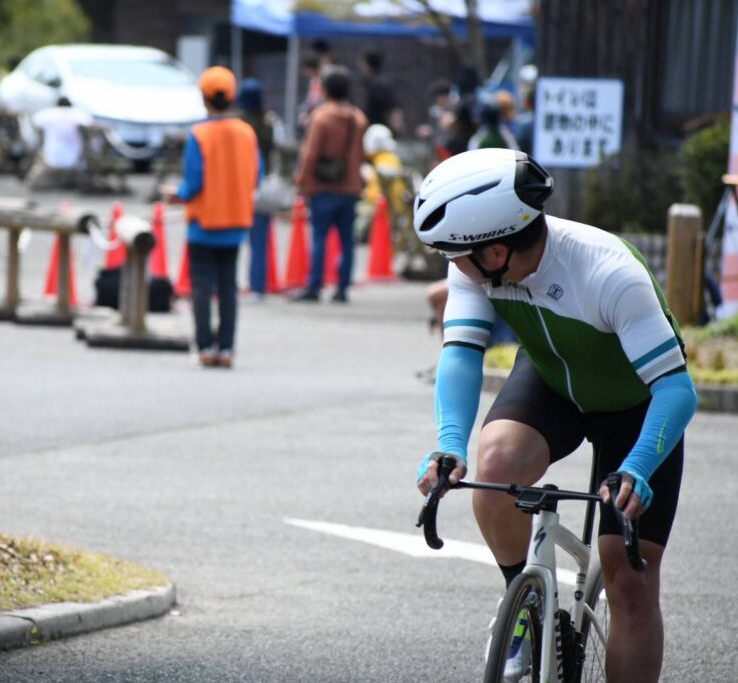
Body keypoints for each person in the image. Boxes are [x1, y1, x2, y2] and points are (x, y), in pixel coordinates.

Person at [414, 148, 698, 683]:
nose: (450, 265)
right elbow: (461, 354)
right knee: (495, 465)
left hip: (637, 406)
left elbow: (677, 391)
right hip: (551, 382)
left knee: (630, 583)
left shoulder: (609, 273)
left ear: (496, 251)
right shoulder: (477, 267)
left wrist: (638, 465)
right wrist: (450, 444)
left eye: (454, 253)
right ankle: (521, 609)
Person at [162, 67, 261, 369]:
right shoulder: (246, 133)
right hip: (236, 220)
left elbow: (193, 183)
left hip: (203, 223)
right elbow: (257, 175)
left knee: (202, 286)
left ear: (204, 97)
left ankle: (205, 346)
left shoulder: (199, 134)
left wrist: (175, 194)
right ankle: (227, 348)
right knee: (229, 286)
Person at [293, 66, 368, 304]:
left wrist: (302, 180)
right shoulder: (358, 118)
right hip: (350, 186)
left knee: (319, 238)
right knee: (347, 241)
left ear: (325, 89)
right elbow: (361, 154)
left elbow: (310, 154)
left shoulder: (321, 117)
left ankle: (315, 285)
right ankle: (342, 288)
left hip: (323, 187)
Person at [237, 78, 276, 299]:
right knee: (259, 241)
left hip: (238, 185)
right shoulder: (268, 123)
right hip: (260, 186)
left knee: (230, 239)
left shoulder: (238, 123)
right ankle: (257, 287)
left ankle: (228, 284)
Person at [24, 96, 93, 191]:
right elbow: (89, 127)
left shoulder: (48, 113)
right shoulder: (80, 114)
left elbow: (33, 121)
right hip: (75, 165)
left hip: (51, 162)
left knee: (33, 183)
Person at [356, 123, 404, 243]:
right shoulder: (391, 158)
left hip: (384, 210)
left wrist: (365, 193)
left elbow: (375, 193)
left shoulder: (381, 161)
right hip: (395, 207)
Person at [360, 52, 402, 134]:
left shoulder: (379, 86)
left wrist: (395, 128)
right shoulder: (371, 84)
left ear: (368, 65)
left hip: (379, 131)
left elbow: (393, 109)